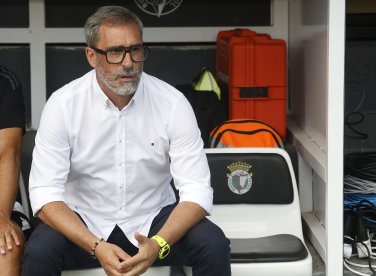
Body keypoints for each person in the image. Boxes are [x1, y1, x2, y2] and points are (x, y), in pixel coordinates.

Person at [22, 5, 231, 276]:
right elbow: (44, 194)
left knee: (212, 244)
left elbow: (197, 191)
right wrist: (96, 246)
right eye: (115, 52)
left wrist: (158, 243)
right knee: (39, 252)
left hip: (154, 223)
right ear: (91, 56)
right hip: (84, 223)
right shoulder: (63, 105)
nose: (129, 62)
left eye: (136, 50)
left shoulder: (172, 103)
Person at [0, 65, 28, 276]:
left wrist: (1, 216)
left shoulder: (4, 81)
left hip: (2, 202)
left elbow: (9, 153)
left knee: (6, 246)